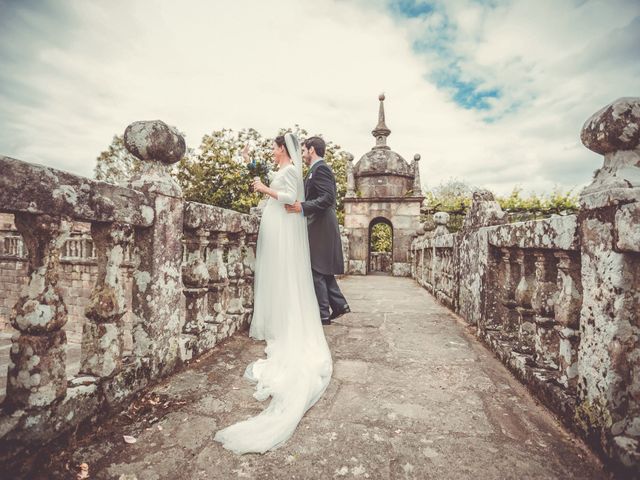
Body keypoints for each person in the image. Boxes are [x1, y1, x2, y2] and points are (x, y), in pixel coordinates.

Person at [213, 133, 333, 454]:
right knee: (274, 278)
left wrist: (265, 190)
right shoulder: (283, 167)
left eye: (273, 146)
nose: (272, 150)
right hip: (274, 226)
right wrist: (247, 160)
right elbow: (260, 176)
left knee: (283, 276)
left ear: (284, 148)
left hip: (282, 229)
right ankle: (279, 322)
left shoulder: (293, 169)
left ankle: (286, 326)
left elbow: (290, 198)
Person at [285, 136, 350, 325]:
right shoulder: (314, 170)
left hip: (322, 225)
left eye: (304, 150)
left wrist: (302, 207)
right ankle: (339, 305)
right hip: (319, 224)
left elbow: (328, 198)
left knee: (315, 269)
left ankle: (322, 314)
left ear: (312, 149)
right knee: (321, 267)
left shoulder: (321, 169)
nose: (303, 154)